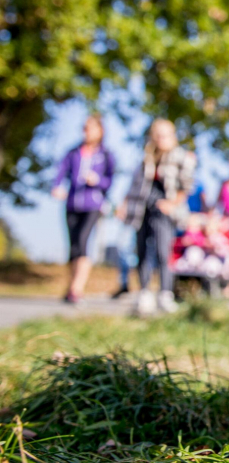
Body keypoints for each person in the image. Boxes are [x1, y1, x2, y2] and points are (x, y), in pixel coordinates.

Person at [118, 119, 196, 316]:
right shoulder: (147, 157)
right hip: (142, 208)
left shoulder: (182, 157)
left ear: (173, 136)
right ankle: (144, 292)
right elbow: (135, 185)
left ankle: (165, 293)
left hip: (164, 211)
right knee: (142, 251)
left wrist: (171, 204)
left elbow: (186, 186)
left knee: (163, 252)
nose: (161, 139)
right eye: (158, 135)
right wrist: (124, 204)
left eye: (165, 134)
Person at [51, 114, 116, 303]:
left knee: (83, 241)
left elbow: (110, 180)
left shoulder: (105, 155)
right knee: (73, 246)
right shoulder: (73, 152)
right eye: (84, 127)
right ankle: (72, 284)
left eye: (90, 128)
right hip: (72, 203)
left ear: (100, 131)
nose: (86, 132)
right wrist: (56, 187)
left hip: (92, 205)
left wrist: (97, 181)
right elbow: (61, 172)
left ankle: (76, 288)